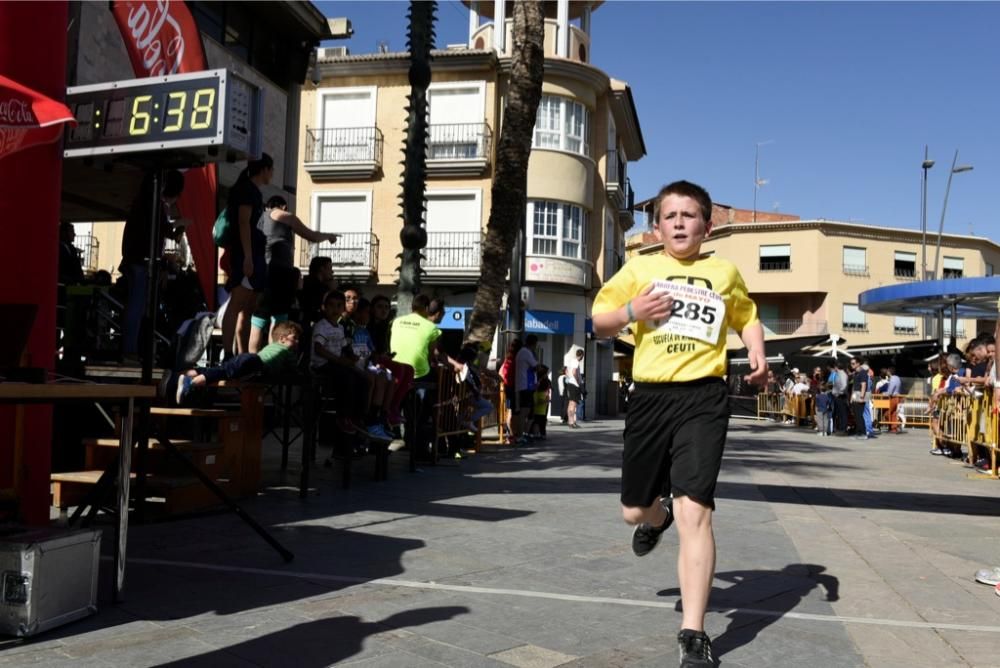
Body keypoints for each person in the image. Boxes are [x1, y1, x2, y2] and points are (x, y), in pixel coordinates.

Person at [591, 180, 766, 667]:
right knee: (632, 510)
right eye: (671, 216)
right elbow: (599, 320)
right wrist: (632, 311)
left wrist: (756, 347)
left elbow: (746, 316)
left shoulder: (723, 271)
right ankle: (655, 517)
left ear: (707, 226)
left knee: (697, 512)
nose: (680, 223)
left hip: (704, 398)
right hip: (649, 396)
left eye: (690, 216)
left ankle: (694, 633)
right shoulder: (641, 267)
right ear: (656, 226)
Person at [248, 195, 337, 352]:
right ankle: (273, 362)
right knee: (278, 323)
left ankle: (251, 364)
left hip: (262, 271)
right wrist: (328, 236)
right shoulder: (282, 215)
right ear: (283, 206)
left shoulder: (258, 219)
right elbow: (311, 236)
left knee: (258, 322)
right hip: (280, 274)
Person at [120, 169, 188, 359]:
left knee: (137, 305)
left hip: (135, 259)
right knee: (137, 306)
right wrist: (179, 224)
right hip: (142, 261)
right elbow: (162, 230)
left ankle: (131, 348)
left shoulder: (143, 202)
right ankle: (130, 350)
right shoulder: (154, 205)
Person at [311, 290, 391, 442]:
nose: (335, 309)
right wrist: (340, 360)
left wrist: (351, 354)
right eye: (331, 306)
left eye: (339, 306)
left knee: (364, 379)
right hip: (322, 364)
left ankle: (359, 417)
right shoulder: (321, 326)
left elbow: (344, 346)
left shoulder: (340, 328)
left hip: (337, 363)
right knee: (348, 378)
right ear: (324, 308)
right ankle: (343, 417)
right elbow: (318, 349)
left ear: (343, 309)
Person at [221, 153, 274, 357]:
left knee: (247, 308)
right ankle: (228, 353)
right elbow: (244, 223)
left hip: (254, 254)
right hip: (246, 255)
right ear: (265, 170)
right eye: (272, 169)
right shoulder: (246, 191)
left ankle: (241, 354)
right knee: (237, 304)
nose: (273, 173)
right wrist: (248, 257)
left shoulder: (254, 192)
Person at [175, 321, 301, 404]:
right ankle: (189, 382)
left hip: (248, 357)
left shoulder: (271, 346)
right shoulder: (287, 351)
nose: (297, 342)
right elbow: (293, 369)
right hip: (255, 364)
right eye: (295, 338)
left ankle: (186, 374)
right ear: (282, 339)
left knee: (221, 369)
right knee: (223, 373)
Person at [513, 334, 540, 445]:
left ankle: (521, 435)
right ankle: (519, 436)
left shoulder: (521, 352)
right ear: (534, 344)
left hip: (523, 385)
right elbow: (536, 366)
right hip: (526, 386)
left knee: (525, 412)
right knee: (524, 413)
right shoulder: (526, 352)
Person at [299, 256, 335, 332]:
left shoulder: (305, 282)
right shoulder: (319, 288)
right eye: (330, 268)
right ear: (322, 269)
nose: (332, 272)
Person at [563, 347, 584, 429]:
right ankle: (572, 422)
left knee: (570, 403)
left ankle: (570, 421)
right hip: (574, 384)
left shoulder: (571, 361)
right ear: (581, 355)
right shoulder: (576, 362)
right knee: (573, 404)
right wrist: (578, 380)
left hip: (570, 384)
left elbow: (566, 371)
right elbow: (574, 372)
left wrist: (570, 378)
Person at [531, 364, 551, 439]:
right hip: (541, 398)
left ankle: (538, 433)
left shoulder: (541, 380)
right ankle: (540, 433)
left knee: (538, 419)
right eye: (546, 373)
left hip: (541, 398)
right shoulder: (542, 380)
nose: (547, 374)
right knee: (540, 419)